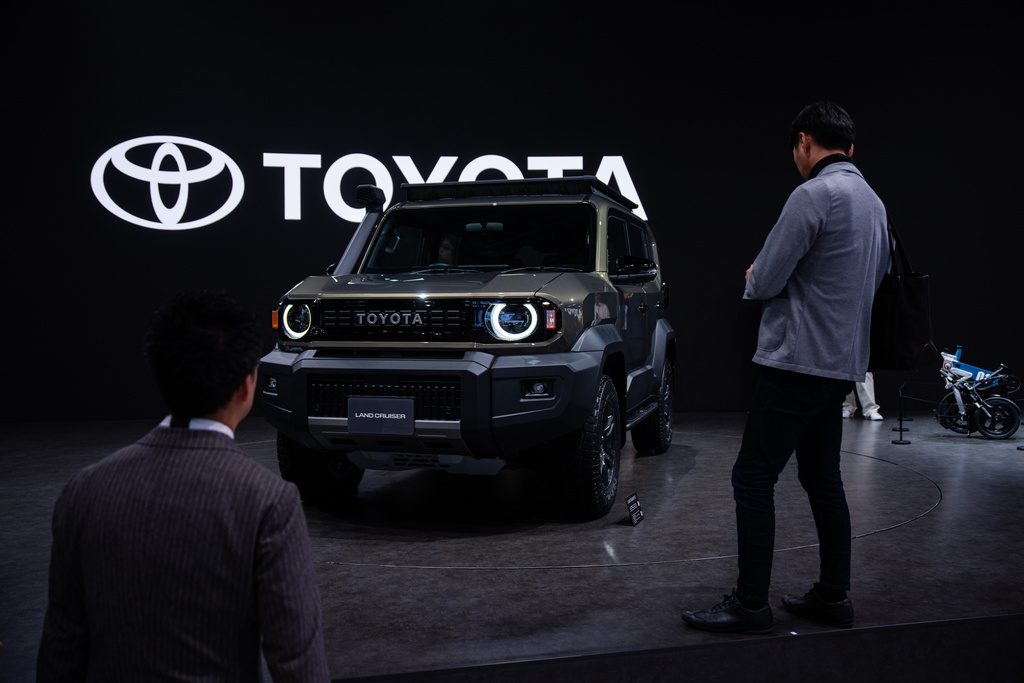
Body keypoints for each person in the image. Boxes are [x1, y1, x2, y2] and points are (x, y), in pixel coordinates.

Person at [37, 290, 330, 681]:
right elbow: (298, 662)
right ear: (246, 387)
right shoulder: (268, 501)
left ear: (160, 372)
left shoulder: (84, 491)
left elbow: (61, 649)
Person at [682, 102, 889, 634]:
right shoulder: (873, 202)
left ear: (803, 141)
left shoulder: (813, 194)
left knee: (752, 478)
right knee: (823, 479)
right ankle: (834, 595)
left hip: (797, 361)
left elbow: (765, 280)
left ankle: (750, 605)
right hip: (840, 365)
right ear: (850, 147)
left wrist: (755, 275)